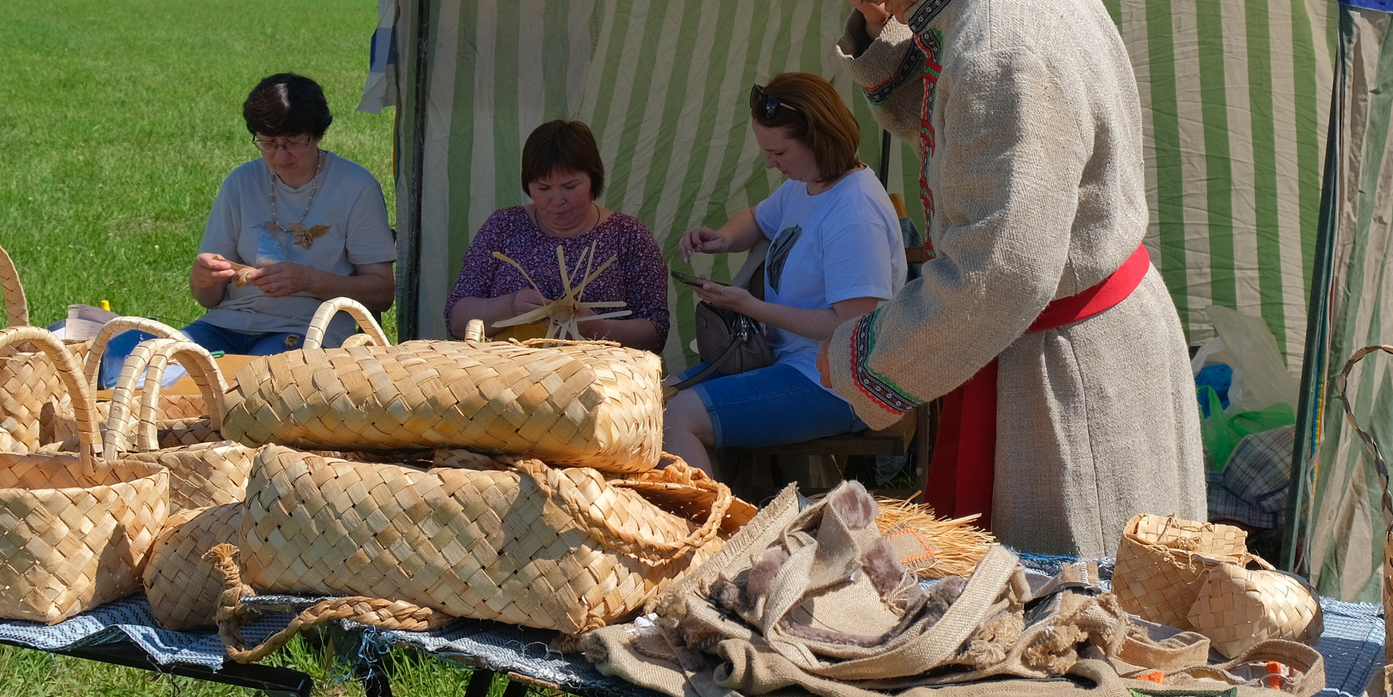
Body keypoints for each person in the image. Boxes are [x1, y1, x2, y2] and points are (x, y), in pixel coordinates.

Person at [783, 0, 1203, 560]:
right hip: (1064, 346)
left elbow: (997, 271)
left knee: (1084, 622)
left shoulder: (1005, 36)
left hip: (1071, 382)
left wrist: (858, 357)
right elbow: (960, 127)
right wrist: (882, 24)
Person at [664, 75, 905, 472]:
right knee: (656, 398)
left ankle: (712, 531)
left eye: (778, 152)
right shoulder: (808, 182)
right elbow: (759, 220)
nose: (769, 163)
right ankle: (729, 511)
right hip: (786, 361)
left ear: (819, 140)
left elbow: (851, 326)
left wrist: (752, 307)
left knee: (677, 417)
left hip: (840, 384)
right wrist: (722, 238)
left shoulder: (854, 214)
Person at [105, 74, 397, 383]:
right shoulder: (242, 181)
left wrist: (309, 281)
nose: (280, 156)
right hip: (226, 325)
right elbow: (209, 298)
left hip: (305, 330)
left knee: (249, 387)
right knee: (138, 372)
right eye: (268, 143)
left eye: (293, 143)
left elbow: (381, 293)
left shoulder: (355, 186)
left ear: (317, 134)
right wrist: (203, 277)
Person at [446, 119, 668, 352]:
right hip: (507, 377)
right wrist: (510, 306)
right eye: (543, 188)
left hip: (599, 379)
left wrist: (597, 327)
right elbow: (456, 319)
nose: (557, 200)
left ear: (594, 179)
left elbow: (656, 334)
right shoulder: (504, 226)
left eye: (570, 187)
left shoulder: (628, 234)